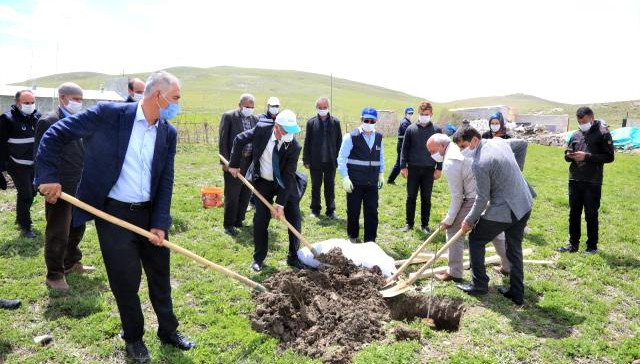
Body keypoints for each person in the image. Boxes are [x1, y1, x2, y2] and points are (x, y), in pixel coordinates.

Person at [35, 71, 194, 362]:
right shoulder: (110, 115)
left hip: (150, 215)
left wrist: (160, 222)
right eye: (175, 98)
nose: (177, 105)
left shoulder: (167, 132)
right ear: (157, 96)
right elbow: (56, 133)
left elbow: (166, 180)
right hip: (113, 214)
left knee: (160, 276)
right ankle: (133, 337)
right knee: (125, 280)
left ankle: (168, 331)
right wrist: (48, 175)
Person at [452, 127, 533, 306]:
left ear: (474, 140)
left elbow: (482, 198)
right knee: (514, 248)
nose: (462, 151)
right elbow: (522, 144)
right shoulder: (498, 141)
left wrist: (468, 221)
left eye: (463, 146)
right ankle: (517, 293)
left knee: (475, 239)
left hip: (507, 208)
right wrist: (514, 176)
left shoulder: (480, 162)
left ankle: (479, 284)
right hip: (524, 203)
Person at [34, 82, 94, 291]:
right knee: (58, 230)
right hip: (58, 186)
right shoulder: (49, 121)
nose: (79, 103)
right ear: (62, 98)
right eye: (75, 99)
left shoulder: (79, 121)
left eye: (81, 99)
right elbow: (40, 155)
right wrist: (44, 184)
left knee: (78, 225)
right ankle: (54, 274)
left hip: (79, 184)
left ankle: (71, 263)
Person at [426, 133, 510, 282]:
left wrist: (449, 219)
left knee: (453, 231)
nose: (431, 155)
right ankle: (509, 266)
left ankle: (454, 272)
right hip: (492, 193)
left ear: (442, 146)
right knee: (495, 231)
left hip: (475, 197)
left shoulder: (451, 162)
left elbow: (457, 196)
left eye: (432, 151)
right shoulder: (457, 148)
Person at [228, 110, 305, 271]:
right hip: (263, 181)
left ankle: (293, 256)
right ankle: (258, 258)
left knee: (294, 217)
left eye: (293, 131)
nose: (289, 135)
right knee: (260, 220)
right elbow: (239, 139)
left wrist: (281, 204)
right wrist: (234, 164)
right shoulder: (262, 129)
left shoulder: (294, 146)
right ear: (276, 127)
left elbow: (289, 175)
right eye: (286, 131)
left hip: (284, 182)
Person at [558, 107, 614, 254]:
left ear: (592, 118)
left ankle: (592, 247)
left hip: (592, 181)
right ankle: (573, 244)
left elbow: (609, 157)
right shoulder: (576, 134)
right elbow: (569, 151)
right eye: (579, 121)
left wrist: (587, 156)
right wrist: (568, 155)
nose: (581, 124)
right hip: (575, 179)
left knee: (591, 214)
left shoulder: (603, 133)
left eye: (584, 121)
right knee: (574, 213)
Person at [337, 107, 384, 243]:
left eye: (372, 120)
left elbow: (380, 157)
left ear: (375, 121)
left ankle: (370, 241)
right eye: (366, 120)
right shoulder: (351, 137)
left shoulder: (379, 138)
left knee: (372, 213)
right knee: (353, 211)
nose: (369, 123)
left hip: (372, 183)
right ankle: (353, 237)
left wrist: (381, 173)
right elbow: (341, 158)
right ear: (361, 120)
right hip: (354, 182)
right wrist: (345, 177)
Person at [0, 89, 41, 238]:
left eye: (32, 102)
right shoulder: (7, 119)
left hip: (33, 164)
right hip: (16, 165)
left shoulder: (38, 117)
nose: (30, 105)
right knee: (25, 194)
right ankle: (25, 226)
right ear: (18, 103)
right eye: (26, 103)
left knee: (34, 192)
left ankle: (20, 217)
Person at [399, 101, 442, 233]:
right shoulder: (411, 129)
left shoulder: (436, 130)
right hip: (413, 168)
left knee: (426, 198)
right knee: (411, 197)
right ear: (419, 114)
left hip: (429, 169)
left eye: (427, 114)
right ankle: (409, 224)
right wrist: (403, 166)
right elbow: (404, 149)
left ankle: (424, 225)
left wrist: (439, 168)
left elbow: (441, 150)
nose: (424, 116)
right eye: (422, 114)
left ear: (431, 114)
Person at [218, 93, 258, 236]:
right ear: (240, 105)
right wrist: (225, 162)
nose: (250, 109)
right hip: (234, 162)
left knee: (246, 192)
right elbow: (223, 140)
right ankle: (228, 224)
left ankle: (239, 220)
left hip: (249, 161)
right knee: (232, 194)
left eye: (252, 107)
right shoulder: (229, 117)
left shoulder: (255, 119)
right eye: (247, 106)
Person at [303, 97, 342, 219]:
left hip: (331, 161)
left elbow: (339, 142)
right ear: (316, 108)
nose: (323, 110)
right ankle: (315, 209)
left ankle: (330, 210)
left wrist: (339, 159)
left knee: (330, 186)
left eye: (324, 107)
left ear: (328, 107)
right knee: (315, 186)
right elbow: (307, 142)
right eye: (320, 108)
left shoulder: (335, 123)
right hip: (315, 162)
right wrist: (306, 159)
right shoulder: (311, 123)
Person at [387, 107, 413, 185]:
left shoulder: (407, 121)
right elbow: (407, 135)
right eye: (409, 113)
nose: (410, 114)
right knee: (400, 163)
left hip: (402, 145)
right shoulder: (405, 123)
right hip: (402, 145)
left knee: (401, 163)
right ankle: (390, 180)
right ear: (405, 113)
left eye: (412, 113)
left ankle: (391, 179)